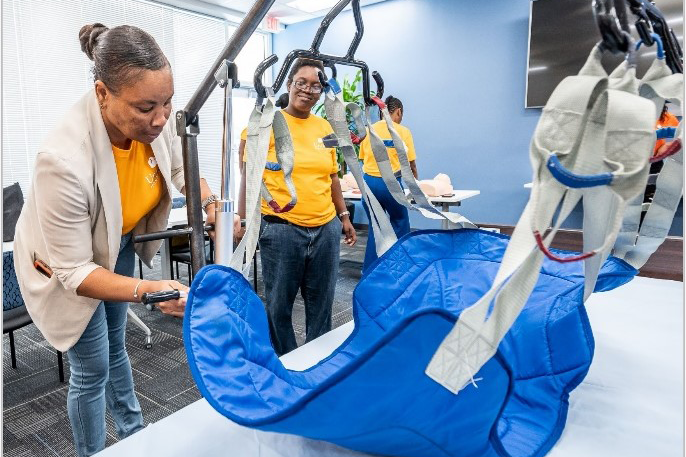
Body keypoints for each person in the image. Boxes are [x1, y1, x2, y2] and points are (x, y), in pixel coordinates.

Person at [13, 23, 234, 457]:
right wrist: (149, 291)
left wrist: (211, 201)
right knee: (91, 369)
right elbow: (75, 269)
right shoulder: (62, 159)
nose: (160, 117)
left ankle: (134, 437)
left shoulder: (155, 116)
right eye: (147, 107)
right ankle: (92, 452)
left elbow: (176, 169)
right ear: (102, 94)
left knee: (117, 346)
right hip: (63, 264)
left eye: (167, 103)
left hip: (119, 242)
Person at [237, 58, 356, 356]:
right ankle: (288, 363)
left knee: (322, 304)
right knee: (279, 304)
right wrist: (242, 219)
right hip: (282, 231)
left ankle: (316, 362)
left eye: (316, 85)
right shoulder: (266, 123)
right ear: (288, 84)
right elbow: (249, 178)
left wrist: (343, 216)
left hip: (325, 229)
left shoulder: (325, 126)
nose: (308, 90)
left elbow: (332, 176)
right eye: (301, 82)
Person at [358, 95, 418, 272]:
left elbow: (362, 159)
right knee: (400, 222)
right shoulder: (403, 131)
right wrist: (416, 186)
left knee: (375, 228)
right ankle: (400, 268)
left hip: (369, 184)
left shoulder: (369, 130)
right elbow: (411, 163)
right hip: (390, 185)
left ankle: (370, 270)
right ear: (398, 111)